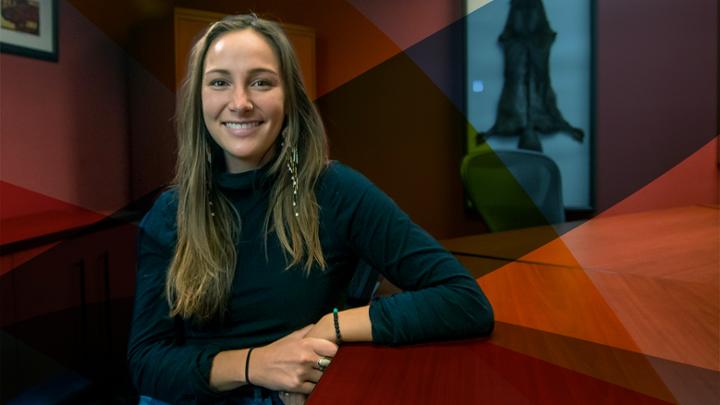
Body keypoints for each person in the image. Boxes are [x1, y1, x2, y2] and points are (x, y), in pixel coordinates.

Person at [127, 14, 494, 405]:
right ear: (199, 101)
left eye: (261, 82)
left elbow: (463, 300)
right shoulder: (170, 213)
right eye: (219, 82)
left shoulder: (336, 190)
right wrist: (255, 364)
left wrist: (330, 327)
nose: (240, 102)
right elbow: (147, 362)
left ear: (289, 100)